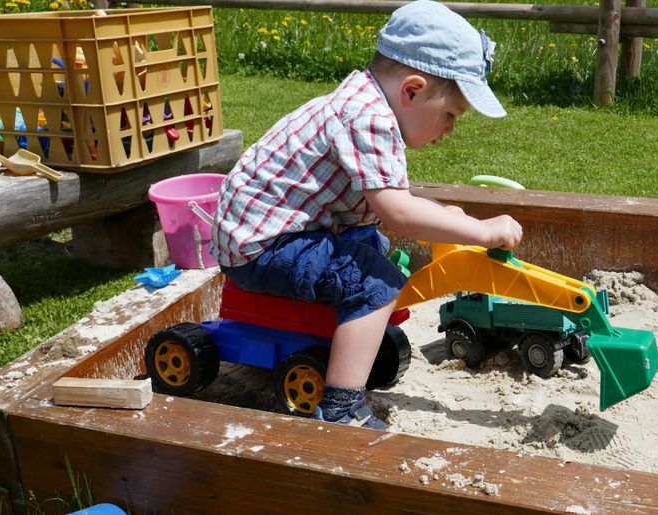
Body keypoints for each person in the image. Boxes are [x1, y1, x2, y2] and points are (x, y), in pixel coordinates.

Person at [211, 0, 522, 430]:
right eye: (450, 115)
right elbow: (399, 211)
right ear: (411, 91)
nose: (450, 129)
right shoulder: (369, 117)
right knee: (377, 284)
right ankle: (340, 408)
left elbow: (393, 198)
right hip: (261, 245)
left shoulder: (368, 101)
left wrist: (445, 213)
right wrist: (480, 230)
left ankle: (349, 341)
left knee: (373, 248)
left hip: (273, 229)